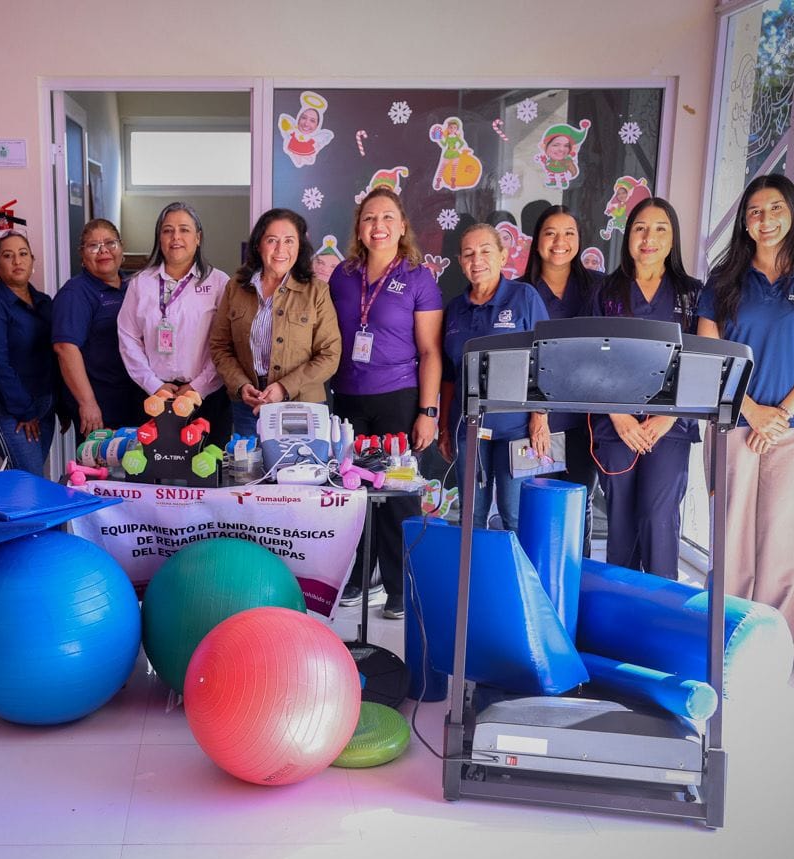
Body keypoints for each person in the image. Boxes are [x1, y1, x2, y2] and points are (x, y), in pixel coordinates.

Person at [697, 174, 794, 653]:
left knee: (785, 541)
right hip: (734, 422)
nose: (766, 219)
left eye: (776, 208)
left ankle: (774, 651)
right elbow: (708, 356)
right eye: (755, 211)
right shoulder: (724, 281)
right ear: (745, 222)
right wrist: (752, 411)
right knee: (732, 539)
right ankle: (725, 645)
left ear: (793, 212)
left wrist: (778, 415)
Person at [329, 188, 444, 618]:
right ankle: (360, 578)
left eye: (387, 218)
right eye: (369, 218)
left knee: (396, 495)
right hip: (347, 398)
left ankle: (398, 586)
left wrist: (427, 412)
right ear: (359, 228)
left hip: (398, 397)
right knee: (353, 492)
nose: (378, 226)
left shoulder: (418, 277)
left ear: (402, 226)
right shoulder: (342, 275)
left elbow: (430, 351)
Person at [591, 198, 703, 579]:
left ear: (673, 239)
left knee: (658, 516)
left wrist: (667, 417)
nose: (648, 238)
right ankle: (619, 606)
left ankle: (660, 604)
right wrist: (619, 416)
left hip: (670, 427)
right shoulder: (606, 291)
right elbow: (590, 359)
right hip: (616, 425)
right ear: (628, 237)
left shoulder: (692, 294)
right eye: (640, 228)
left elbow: (700, 362)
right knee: (621, 520)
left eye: (660, 229)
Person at [438, 223, 549, 532]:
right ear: (460, 262)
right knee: (471, 517)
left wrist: (540, 417)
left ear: (503, 255)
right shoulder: (455, 309)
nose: (477, 260)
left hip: (517, 429)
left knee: (514, 515)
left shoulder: (524, 297)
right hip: (468, 429)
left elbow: (546, 359)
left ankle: (514, 568)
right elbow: (449, 374)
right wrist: (444, 428)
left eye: (485, 251)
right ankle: (474, 567)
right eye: (469, 254)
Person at [208, 208, 341, 437]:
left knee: (297, 461)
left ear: (299, 247)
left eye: (289, 241)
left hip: (301, 406)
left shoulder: (316, 291)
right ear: (258, 245)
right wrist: (241, 385)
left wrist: (283, 388)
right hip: (248, 406)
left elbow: (330, 354)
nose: (281, 249)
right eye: (272, 240)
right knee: (248, 461)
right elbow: (220, 345)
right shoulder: (235, 288)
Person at [117, 202, 231, 442]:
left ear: (198, 238)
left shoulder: (219, 283)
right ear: (159, 238)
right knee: (153, 464)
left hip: (206, 398)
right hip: (154, 397)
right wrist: (153, 384)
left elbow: (226, 343)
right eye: (168, 230)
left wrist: (198, 386)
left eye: (184, 230)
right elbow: (128, 337)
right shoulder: (141, 283)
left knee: (208, 463)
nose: (175, 237)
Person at [523, 206, 601, 552]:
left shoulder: (598, 287)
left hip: (585, 419)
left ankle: (578, 578)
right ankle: (535, 581)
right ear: (537, 240)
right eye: (550, 233)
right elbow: (519, 359)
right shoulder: (521, 291)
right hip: (532, 420)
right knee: (536, 506)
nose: (560, 241)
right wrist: (537, 413)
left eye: (569, 233)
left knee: (578, 505)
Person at [0, 233, 56, 477]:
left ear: (32, 260)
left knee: (32, 479)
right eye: (8, 256)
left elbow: (56, 354)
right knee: (30, 478)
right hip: (11, 407)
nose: (17, 261)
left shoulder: (44, 302)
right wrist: (25, 411)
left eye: (23, 254)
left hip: (44, 404)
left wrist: (62, 404)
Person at [53, 219, 139, 435]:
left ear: (121, 247)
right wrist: (87, 403)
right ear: (82, 255)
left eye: (110, 243)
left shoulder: (133, 286)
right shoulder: (75, 293)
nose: (103, 251)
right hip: (101, 407)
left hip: (135, 401)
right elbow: (65, 349)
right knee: (105, 459)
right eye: (93, 246)